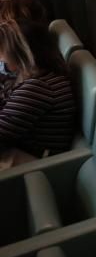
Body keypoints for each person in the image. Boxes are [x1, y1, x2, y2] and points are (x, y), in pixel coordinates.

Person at [0, 18, 74, 163]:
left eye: (2, 53)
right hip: (22, 147)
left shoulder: (38, 87)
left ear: (21, 55)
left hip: (36, 161)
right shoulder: (35, 75)